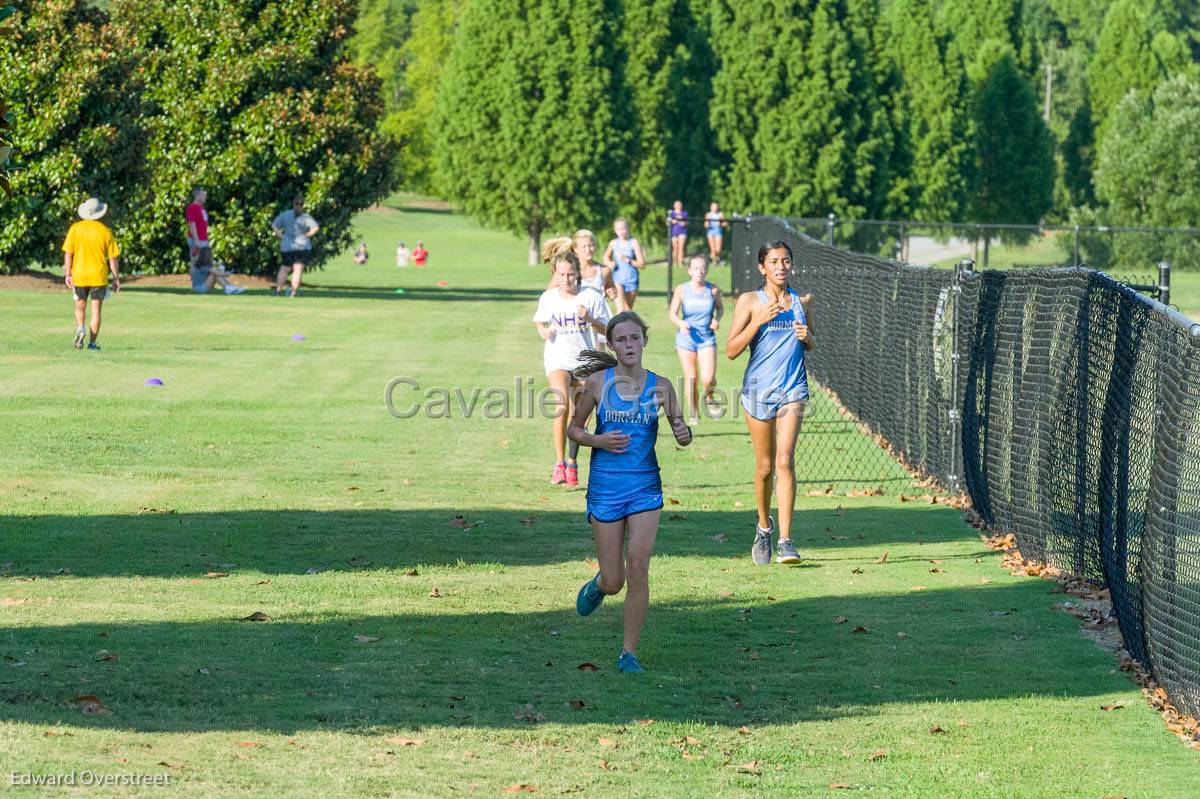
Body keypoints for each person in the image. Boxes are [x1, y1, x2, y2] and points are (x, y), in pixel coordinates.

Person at [569, 312, 692, 674]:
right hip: (606, 489)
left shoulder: (662, 386)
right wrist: (598, 440)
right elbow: (573, 430)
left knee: (638, 566)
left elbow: (680, 428)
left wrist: (684, 434)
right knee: (615, 579)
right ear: (612, 346)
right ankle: (599, 585)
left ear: (644, 341)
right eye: (620, 340)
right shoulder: (596, 384)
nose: (628, 345)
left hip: (644, 487)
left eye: (634, 338)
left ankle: (628, 654)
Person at [725, 241, 814, 566]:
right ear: (762, 267)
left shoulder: (802, 301)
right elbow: (731, 349)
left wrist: (808, 338)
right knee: (764, 467)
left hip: (793, 388)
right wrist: (758, 320)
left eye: (786, 261)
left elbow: (810, 341)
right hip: (758, 391)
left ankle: (787, 542)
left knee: (785, 460)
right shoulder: (750, 301)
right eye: (774, 261)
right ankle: (764, 527)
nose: (781, 266)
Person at [543, 232, 625, 484]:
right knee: (561, 406)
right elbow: (540, 317)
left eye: (570, 274)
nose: (566, 278)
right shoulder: (550, 295)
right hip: (557, 359)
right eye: (561, 275)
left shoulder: (590, 297)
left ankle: (572, 462)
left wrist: (589, 319)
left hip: (585, 361)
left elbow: (608, 327)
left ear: (577, 273)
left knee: (579, 416)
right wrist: (542, 329)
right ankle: (558, 464)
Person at [668, 255, 724, 424]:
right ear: (689, 271)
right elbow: (672, 313)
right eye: (696, 268)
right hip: (686, 339)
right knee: (691, 377)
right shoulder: (682, 290)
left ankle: (709, 395)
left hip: (706, 338)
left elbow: (720, 310)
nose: (699, 271)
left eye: (702, 268)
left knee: (708, 378)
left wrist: (717, 320)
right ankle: (693, 413)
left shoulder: (713, 291)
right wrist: (680, 323)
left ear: (706, 270)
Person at [62, 197, 120, 351]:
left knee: (80, 305)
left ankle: (80, 328)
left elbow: (68, 253)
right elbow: (112, 258)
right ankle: (92, 343)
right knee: (96, 311)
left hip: (79, 274)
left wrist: (68, 274)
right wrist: (116, 278)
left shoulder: (75, 229)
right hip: (98, 276)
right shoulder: (105, 231)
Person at [186, 188, 244, 295]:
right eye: (204, 195)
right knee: (206, 266)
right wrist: (196, 240)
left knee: (208, 265)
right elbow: (191, 224)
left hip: (203, 240)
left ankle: (229, 287)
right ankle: (228, 287)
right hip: (198, 240)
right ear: (197, 196)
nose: (205, 197)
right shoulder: (193, 207)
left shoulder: (200, 208)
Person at [272, 194, 319, 297]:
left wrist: (281, 236)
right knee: (297, 269)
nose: (298, 206)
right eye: (298, 204)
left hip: (287, 246)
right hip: (302, 246)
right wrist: (307, 235)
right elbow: (315, 228)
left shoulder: (285, 215)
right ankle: (293, 292)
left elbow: (274, 225)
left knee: (284, 269)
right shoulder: (306, 217)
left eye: (300, 204)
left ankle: (278, 291)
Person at [602, 218, 645, 311]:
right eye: (618, 229)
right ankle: (617, 325)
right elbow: (605, 257)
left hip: (632, 280)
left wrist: (629, 260)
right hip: (617, 280)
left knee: (628, 311)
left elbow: (642, 264)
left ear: (628, 228)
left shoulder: (634, 242)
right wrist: (610, 263)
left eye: (623, 228)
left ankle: (626, 325)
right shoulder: (613, 243)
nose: (621, 231)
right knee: (621, 310)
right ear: (615, 230)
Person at [668, 200, 689, 267]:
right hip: (674, 232)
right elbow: (667, 223)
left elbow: (687, 223)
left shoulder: (684, 213)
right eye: (677, 205)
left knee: (681, 248)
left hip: (682, 232)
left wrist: (683, 222)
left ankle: (680, 262)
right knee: (675, 248)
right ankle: (675, 262)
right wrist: (674, 221)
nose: (678, 206)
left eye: (679, 205)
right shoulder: (672, 213)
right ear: (674, 206)